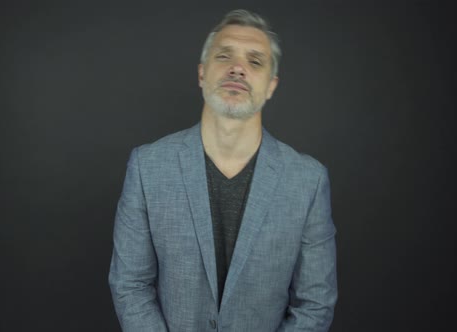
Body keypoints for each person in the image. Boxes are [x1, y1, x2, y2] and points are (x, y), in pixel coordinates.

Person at [109, 9, 337, 332]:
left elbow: (315, 303)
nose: (238, 68)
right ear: (202, 74)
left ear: (271, 85)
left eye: (255, 61)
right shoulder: (147, 167)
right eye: (224, 56)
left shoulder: (308, 181)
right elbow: (129, 285)